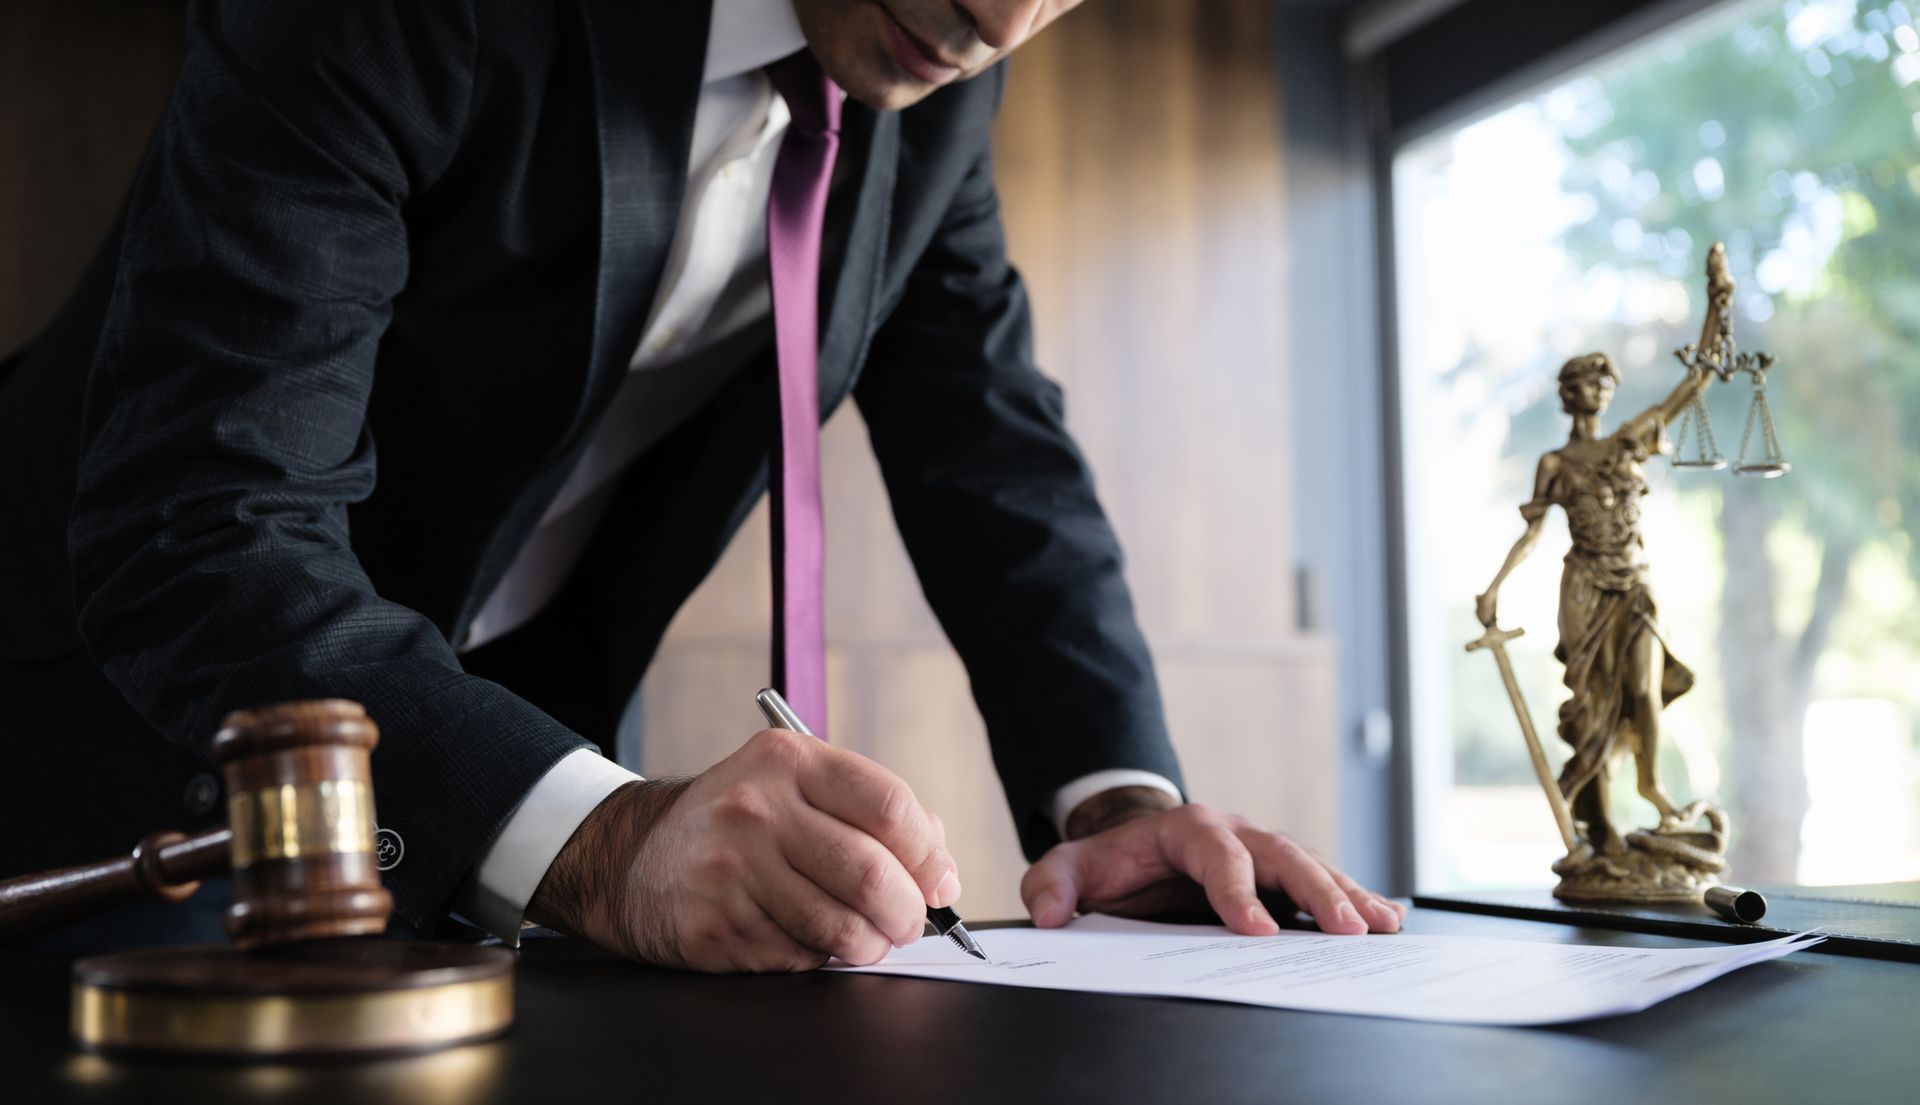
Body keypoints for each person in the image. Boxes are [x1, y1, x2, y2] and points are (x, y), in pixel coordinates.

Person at [0, 0, 1401, 968]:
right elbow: (199, 524)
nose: (1002, 21)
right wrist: (601, 840)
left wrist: (1118, 803)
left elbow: (990, 443)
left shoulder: (938, 75)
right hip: (120, 741)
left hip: (496, 759)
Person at [1475, 345, 1714, 859]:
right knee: (1593, 705)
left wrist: (1719, 302)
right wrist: (1496, 585)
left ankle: (1651, 785)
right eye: (1587, 380)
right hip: (1584, 589)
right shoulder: (1556, 463)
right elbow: (1532, 534)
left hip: (1633, 584)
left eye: (1605, 380)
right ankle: (1601, 824)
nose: (1599, 387)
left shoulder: (1629, 442)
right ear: (1567, 395)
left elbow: (1692, 386)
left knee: (1645, 689)